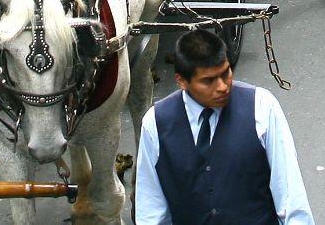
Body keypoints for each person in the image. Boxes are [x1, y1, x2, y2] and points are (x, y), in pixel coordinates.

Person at [132, 26, 313, 225]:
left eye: (226, 73)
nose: (222, 86)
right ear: (182, 81)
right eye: (208, 81)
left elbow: (290, 194)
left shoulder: (261, 106)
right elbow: (151, 209)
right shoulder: (156, 123)